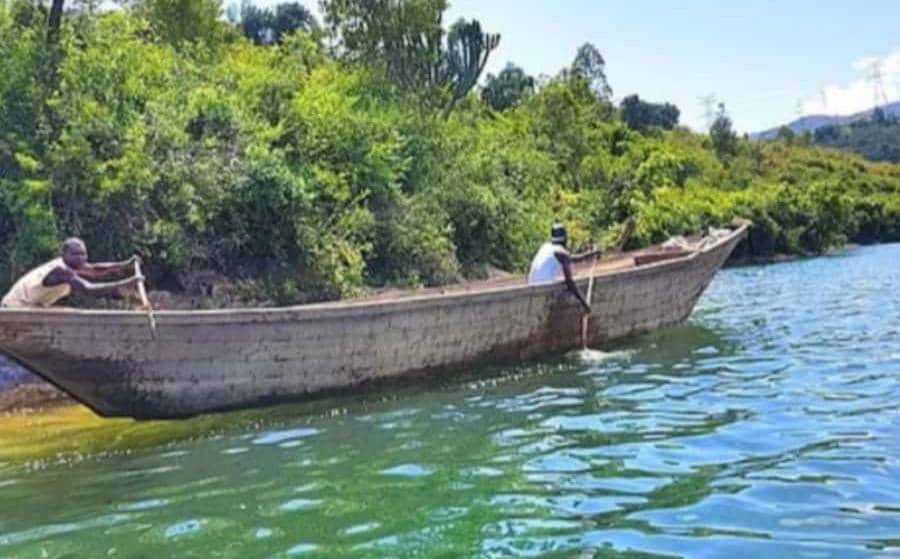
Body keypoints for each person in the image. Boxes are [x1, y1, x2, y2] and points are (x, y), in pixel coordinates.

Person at [1, 238, 144, 308]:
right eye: (75, 254)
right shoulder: (60, 270)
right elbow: (89, 289)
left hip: (33, 308)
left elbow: (95, 270)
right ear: (64, 254)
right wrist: (128, 281)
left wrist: (126, 264)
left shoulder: (73, 265)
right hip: (15, 309)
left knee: (66, 312)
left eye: (83, 254)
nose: (81, 258)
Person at [527, 223, 600, 313]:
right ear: (565, 239)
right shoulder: (560, 252)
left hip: (531, 285)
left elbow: (571, 258)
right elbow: (570, 283)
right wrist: (584, 304)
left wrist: (591, 254)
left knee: (560, 279)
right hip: (544, 288)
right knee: (566, 284)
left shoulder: (546, 246)